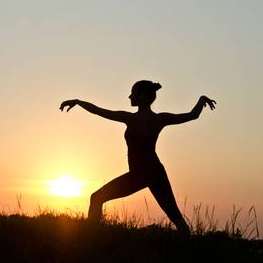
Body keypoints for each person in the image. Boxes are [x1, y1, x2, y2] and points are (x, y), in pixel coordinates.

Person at [59, 80, 216, 233]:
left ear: (142, 96)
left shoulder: (131, 118)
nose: (129, 96)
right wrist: (201, 99)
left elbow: (99, 111)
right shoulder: (159, 119)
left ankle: (90, 238)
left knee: (96, 198)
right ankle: (189, 247)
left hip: (139, 175)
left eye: (133, 93)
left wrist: (78, 102)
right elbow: (192, 115)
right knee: (175, 216)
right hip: (155, 173)